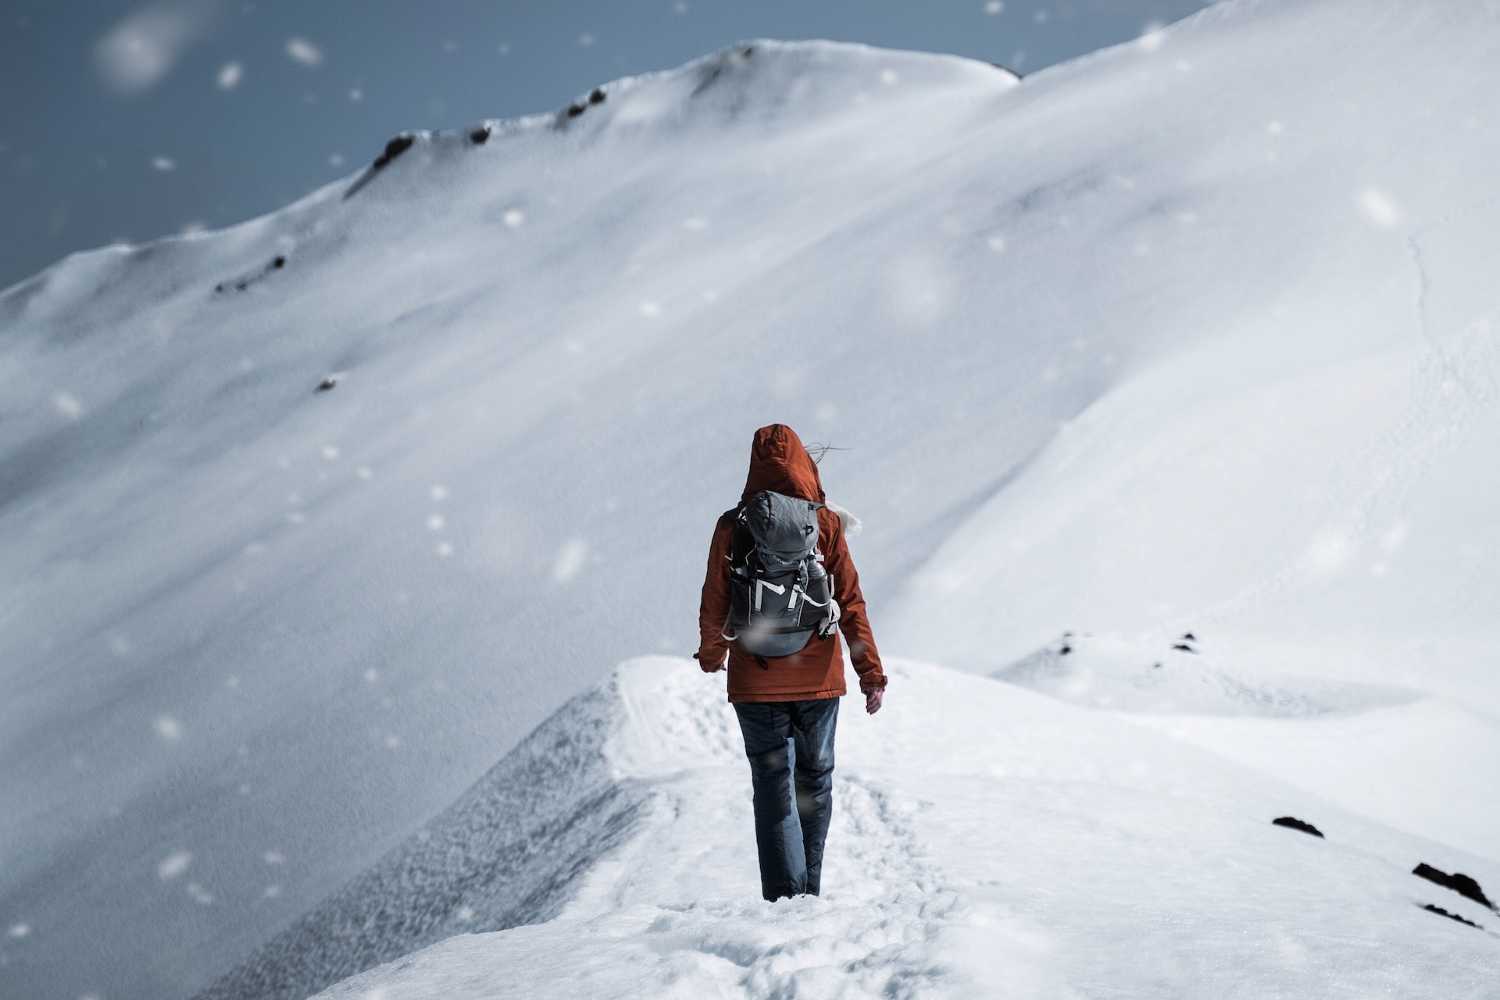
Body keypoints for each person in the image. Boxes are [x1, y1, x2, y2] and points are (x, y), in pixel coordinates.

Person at [695, 423, 886, 902]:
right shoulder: (823, 523)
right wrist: (871, 675)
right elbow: (851, 601)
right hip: (819, 680)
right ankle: (809, 897)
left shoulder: (733, 525)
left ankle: (784, 900)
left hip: (755, 681)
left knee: (773, 784)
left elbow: (715, 601)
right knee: (814, 784)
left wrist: (712, 654)